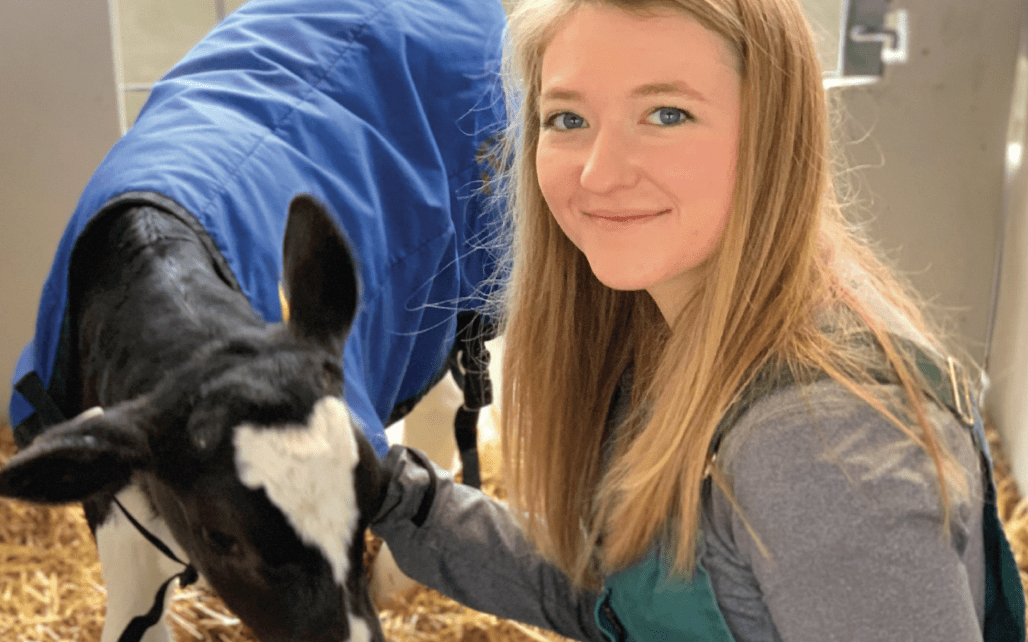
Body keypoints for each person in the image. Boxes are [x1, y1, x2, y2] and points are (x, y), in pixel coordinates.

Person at [371, 0, 1026, 640]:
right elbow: (619, 599)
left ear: (773, 132)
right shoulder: (675, 323)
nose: (599, 174)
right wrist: (393, 494)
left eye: (666, 114)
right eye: (568, 118)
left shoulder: (822, 449)